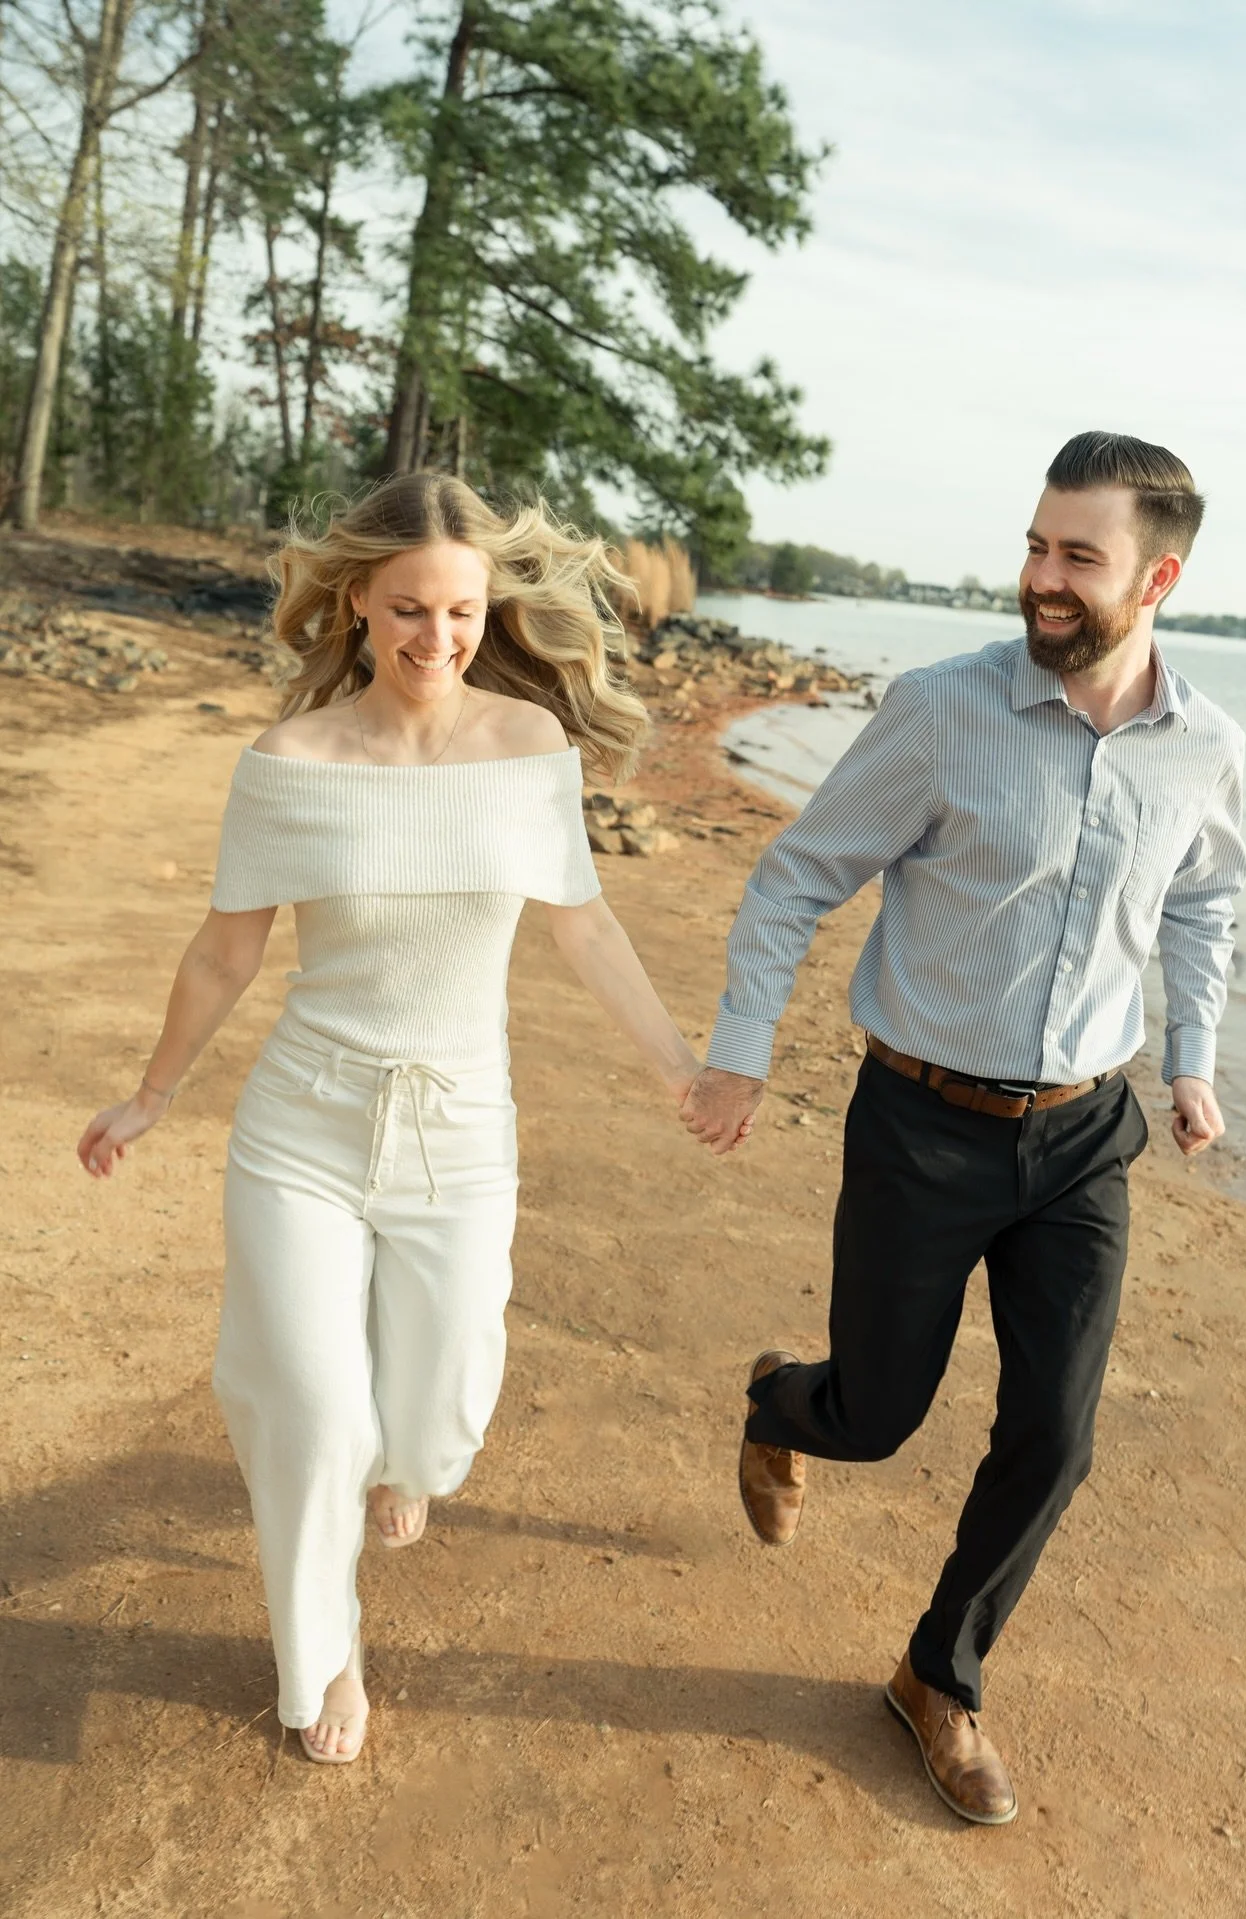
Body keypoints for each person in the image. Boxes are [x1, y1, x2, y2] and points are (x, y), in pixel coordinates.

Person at [76, 473, 700, 1764]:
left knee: (435, 1413)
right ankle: (325, 1654)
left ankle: (405, 1459)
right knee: (310, 1406)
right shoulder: (292, 764)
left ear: (489, 605)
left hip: (461, 1129)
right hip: (303, 1122)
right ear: (357, 601)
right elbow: (223, 955)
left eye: (461, 611)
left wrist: (680, 1067)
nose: (437, 638)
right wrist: (152, 1093)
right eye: (409, 609)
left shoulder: (527, 750)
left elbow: (582, 926)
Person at [680, 431, 1246, 1824]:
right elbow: (798, 873)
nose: (1041, 580)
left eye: (1079, 557)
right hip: (919, 1125)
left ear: (1160, 575)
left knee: (1054, 1435)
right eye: (1037, 547)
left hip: (1084, 1138)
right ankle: (782, 1404)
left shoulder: (1207, 748)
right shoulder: (941, 711)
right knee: (877, 1414)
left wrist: (1192, 1057)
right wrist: (740, 1054)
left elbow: (1204, 900)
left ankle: (941, 1674)